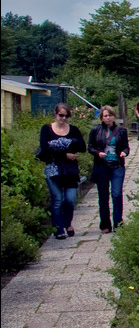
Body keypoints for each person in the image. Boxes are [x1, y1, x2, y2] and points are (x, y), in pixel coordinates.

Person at [39, 102, 86, 239]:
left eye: (66, 116)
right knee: (57, 200)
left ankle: (67, 222)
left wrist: (59, 146)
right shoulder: (46, 129)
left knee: (70, 199)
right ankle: (58, 229)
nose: (64, 118)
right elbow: (45, 149)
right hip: (53, 168)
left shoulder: (73, 129)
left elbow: (82, 147)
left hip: (70, 170)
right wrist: (65, 153)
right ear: (55, 114)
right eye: (61, 115)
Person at [88, 105, 131, 234]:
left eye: (110, 115)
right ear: (101, 117)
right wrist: (97, 153)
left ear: (114, 116)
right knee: (103, 195)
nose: (108, 118)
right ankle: (105, 224)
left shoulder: (121, 131)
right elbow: (90, 147)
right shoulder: (96, 130)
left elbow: (126, 147)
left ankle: (118, 222)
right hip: (101, 166)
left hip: (117, 166)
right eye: (105, 116)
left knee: (116, 194)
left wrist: (124, 153)